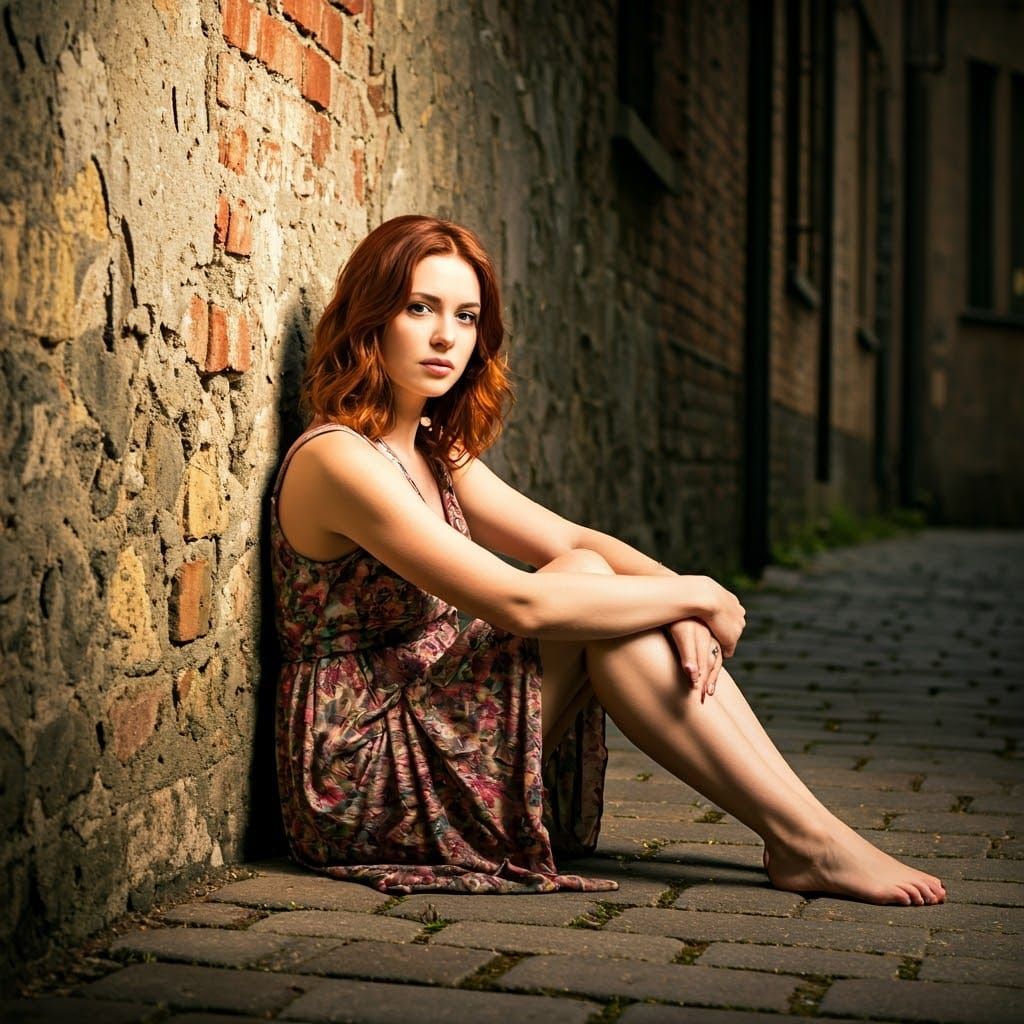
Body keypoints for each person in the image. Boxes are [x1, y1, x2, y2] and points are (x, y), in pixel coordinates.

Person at [271, 214, 946, 905]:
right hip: (355, 779)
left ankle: (808, 834)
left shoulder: (431, 451)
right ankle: (808, 841)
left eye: (467, 317)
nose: (447, 336)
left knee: (607, 595)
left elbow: (572, 540)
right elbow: (518, 602)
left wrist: (674, 590)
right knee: (594, 597)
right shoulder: (338, 460)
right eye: (420, 308)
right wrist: (694, 597)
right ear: (371, 316)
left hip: (427, 716)